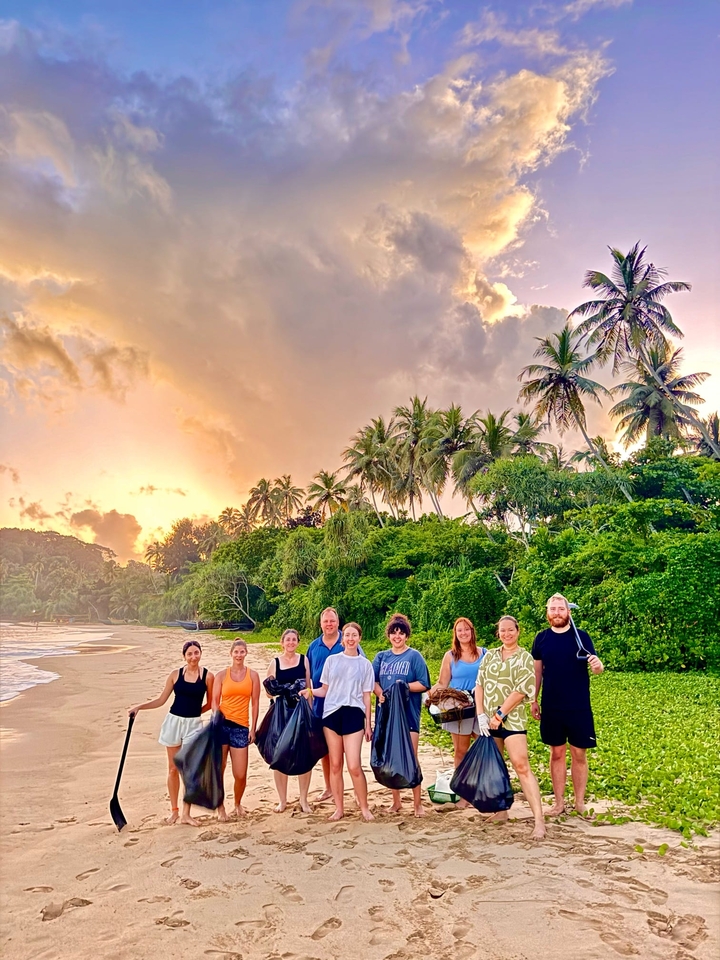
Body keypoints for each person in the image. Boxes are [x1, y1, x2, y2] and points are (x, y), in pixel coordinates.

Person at [531, 593, 604, 816]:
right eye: (553, 609)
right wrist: (534, 699)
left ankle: (579, 803)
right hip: (552, 706)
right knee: (556, 753)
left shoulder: (581, 637)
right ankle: (559, 803)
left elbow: (596, 667)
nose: (557, 613)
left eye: (561, 609)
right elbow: (537, 672)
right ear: (547, 613)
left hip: (579, 706)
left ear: (568, 612)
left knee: (579, 754)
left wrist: (598, 666)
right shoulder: (541, 638)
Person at [475, 616, 546, 840]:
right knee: (496, 767)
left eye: (510, 630)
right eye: (502, 631)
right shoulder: (490, 657)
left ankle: (539, 821)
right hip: (488, 721)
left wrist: (499, 714)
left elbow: (522, 690)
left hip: (512, 721)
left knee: (521, 765)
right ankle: (501, 811)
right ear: (498, 633)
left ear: (518, 631)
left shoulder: (524, 657)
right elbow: (480, 685)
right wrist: (481, 715)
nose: (507, 634)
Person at [128, 640, 214, 826]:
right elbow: (161, 700)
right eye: (189, 654)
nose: (193, 657)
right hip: (174, 722)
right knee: (173, 768)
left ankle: (186, 813)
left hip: (193, 725)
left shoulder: (208, 676)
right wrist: (139, 707)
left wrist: (195, 713)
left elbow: (211, 703)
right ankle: (174, 811)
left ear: (201, 653)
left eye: (196, 653)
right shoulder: (175, 675)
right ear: (184, 656)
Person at [303, 622, 375, 822]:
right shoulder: (332, 661)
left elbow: (367, 696)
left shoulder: (365, 664)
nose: (351, 639)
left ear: (359, 639)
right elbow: (323, 690)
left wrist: (368, 724)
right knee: (335, 764)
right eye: (348, 635)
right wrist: (309, 691)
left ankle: (364, 807)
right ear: (343, 639)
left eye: (354, 635)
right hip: (331, 714)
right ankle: (339, 808)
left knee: (354, 765)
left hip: (354, 714)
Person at [373, 614, 430, 817]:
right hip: (387, 715)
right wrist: (381, 694)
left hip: (408, 715)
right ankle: (396, 801)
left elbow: (424, 683)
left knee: (411, 757)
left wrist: (402, 687)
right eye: (394, 632)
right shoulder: (381, 657)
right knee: (390, 758)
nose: (397, 636)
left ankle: (417, 804)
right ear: (389, 635)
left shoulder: (414, 656)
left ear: (406, 635)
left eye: (401, 633)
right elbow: (373, 681)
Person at [306, 607, 357, 801]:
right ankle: (329, 787)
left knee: (348, 750)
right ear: (321, 624)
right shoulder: (314, 646)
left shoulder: (348, 641)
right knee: (326, 750)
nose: (329, 624)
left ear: (338, 622)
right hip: (321, 704)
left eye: (332, 621)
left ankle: (348, 787)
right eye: (326, 621)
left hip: (345, 705)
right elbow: (309, 678)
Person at [264, 628, 313, 813]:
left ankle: (303, 800)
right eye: (288, 640)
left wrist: (309, 711)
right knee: (279, 755)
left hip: (300, 712)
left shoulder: (304, 660)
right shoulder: (275, 663)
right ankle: (282, 800)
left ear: (298, 642)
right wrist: (281, 689)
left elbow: (309, 687)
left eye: (294, 640)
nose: (291, 643)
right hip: (282, 713)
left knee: (304, 755)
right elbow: (268, 691)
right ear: (282, 643)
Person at [211, 638, 261, 820]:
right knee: (220, 768)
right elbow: (215, 702)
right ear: (231, 654)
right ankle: (220, 806)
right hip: (222, 725)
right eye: (236, 652)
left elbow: (255, 703)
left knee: (240, 774)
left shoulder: (253, 675)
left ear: (246, 653)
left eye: (242, 652)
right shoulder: (221, 676)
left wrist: (253, 728)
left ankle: (238, 803)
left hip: (241, 726)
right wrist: (216, 720)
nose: (239, 655)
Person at [431, 617, 487, 767]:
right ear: (455, 634)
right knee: (461, 750)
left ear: (472, 631)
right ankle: (460, 785)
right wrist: (428, 696)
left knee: (485, 747)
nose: (464, 633)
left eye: (467, 629)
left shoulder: (484, 653)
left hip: (481, 705)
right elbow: (442, 683)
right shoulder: (450, 656)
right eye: (460, 630)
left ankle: (484, 783)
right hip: (460, 707)